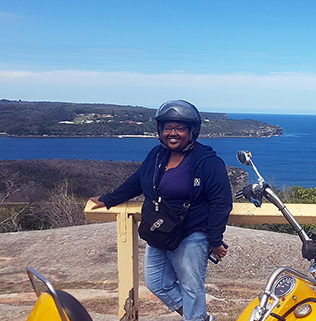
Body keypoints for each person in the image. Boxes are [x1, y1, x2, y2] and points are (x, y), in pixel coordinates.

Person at [89, 99, 232, 321]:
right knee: (157, 283)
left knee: (191, 288)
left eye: (180, 128)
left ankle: (195, 318)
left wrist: (214, 240)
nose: (172, 133)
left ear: (192, 131)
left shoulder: (208, 162)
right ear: (160, 130)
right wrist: (109, 199)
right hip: (160, 230)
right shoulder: (157, 155)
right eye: (168, 127)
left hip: (190, 234)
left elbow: (221, 203)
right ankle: (200, 318)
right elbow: (138, 181)